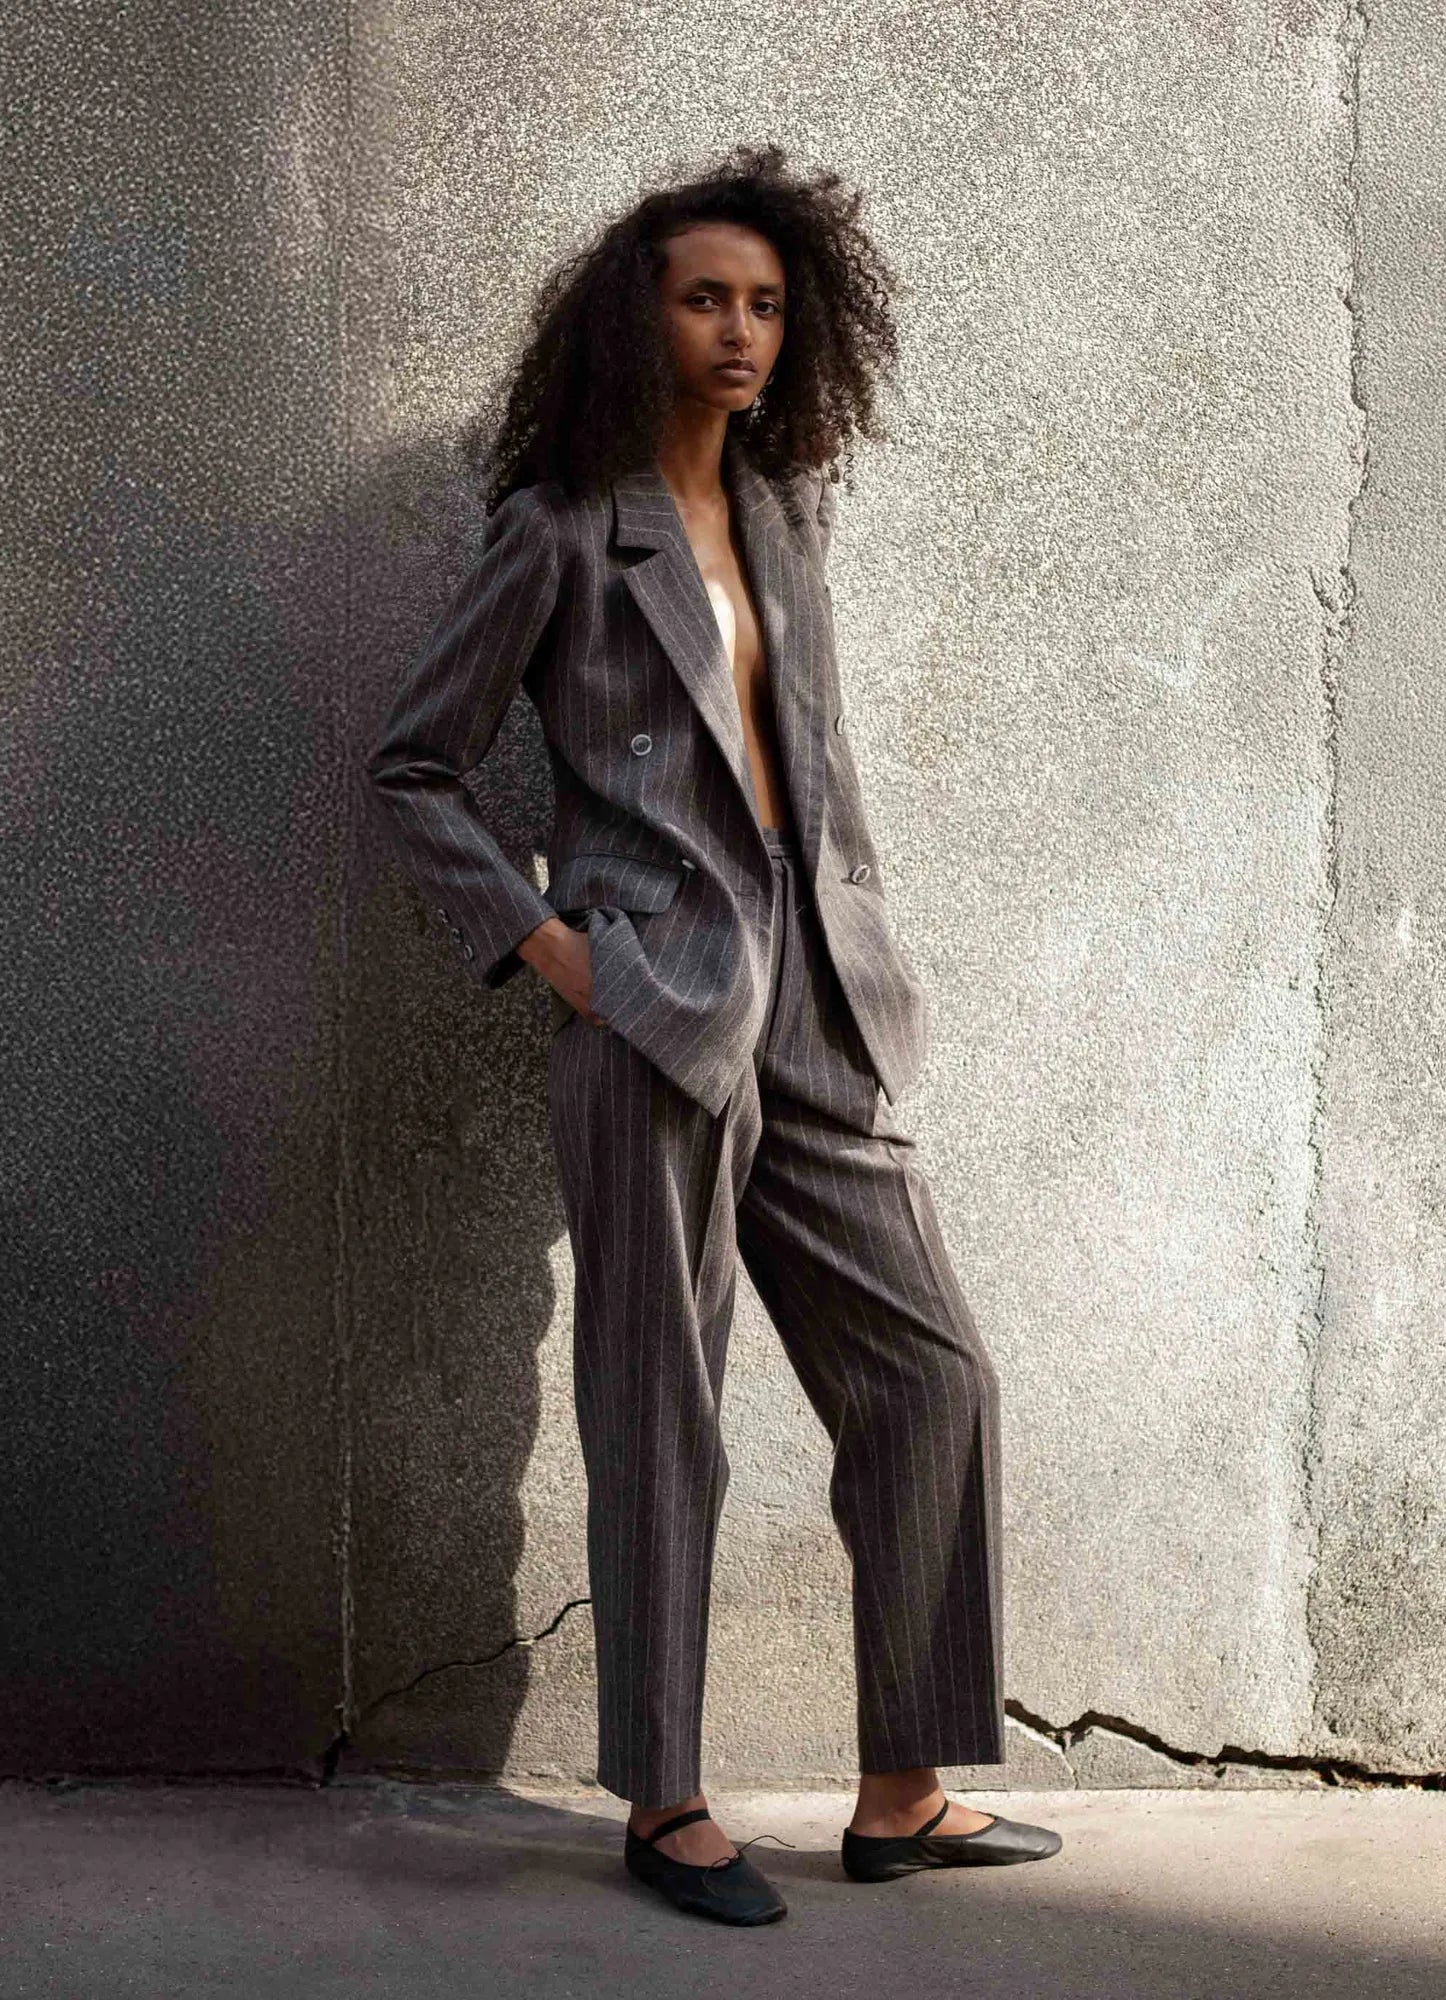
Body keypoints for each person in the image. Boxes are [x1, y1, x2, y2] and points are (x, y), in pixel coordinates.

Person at [365, 140, 1060, 1926]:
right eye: (705, 299)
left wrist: (860, 959)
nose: (742, 330)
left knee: (933, 1376)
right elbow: (416, 767)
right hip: (652, 1008)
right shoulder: (560, 529)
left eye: (765, 303)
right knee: (660, 1413)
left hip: (817, 1002)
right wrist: (554, 951)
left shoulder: (787, 513)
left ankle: (903, 1790)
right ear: (639, 317)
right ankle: (666, 1803)